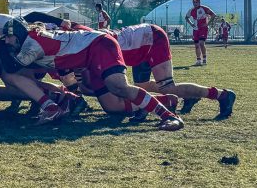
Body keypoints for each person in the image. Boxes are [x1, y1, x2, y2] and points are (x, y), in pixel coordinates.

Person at [0, 18, 184, 131]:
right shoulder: (30, 40)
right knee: (112, 106)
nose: (6, 41)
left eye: (7, 37)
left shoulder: (32, 43)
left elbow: (13, 68)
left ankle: (169, 116)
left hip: (99, 46)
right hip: (89, 58)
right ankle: (165, 100)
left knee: (118, 86)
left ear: (18, 33)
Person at [94, 23, 236, 120]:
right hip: (141, 43)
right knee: (141, 87)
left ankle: (222, 95)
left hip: (152, 39)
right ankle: (188, 96)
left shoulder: (93, 43)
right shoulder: (90, 39)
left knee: (167, 87)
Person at [185, 0, 215, 65]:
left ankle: (204, 59)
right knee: (196, 45)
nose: (195, 3)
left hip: (203, 29)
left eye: (196, 2)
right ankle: (198, 60)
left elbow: (213, 15)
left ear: (199, 2)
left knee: (201, 43)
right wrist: (191, 24)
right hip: (195, 29)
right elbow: (186, 17)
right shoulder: (191, 10)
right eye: (194, 2)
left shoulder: (204, 8)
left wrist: (207, 24)